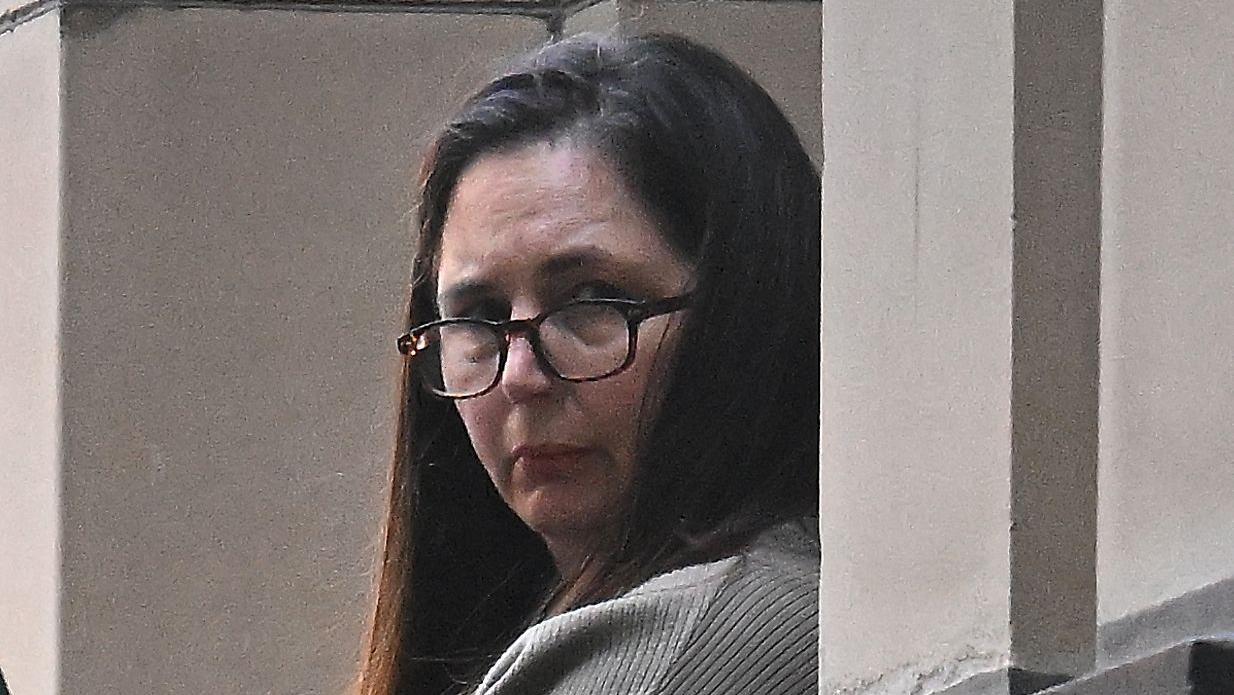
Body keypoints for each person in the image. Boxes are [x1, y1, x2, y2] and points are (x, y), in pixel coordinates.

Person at [354, 32, 821, 695]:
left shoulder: (725, 636)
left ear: (746, 310)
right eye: (479, 316)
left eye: (593, 299)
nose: (520, 376)